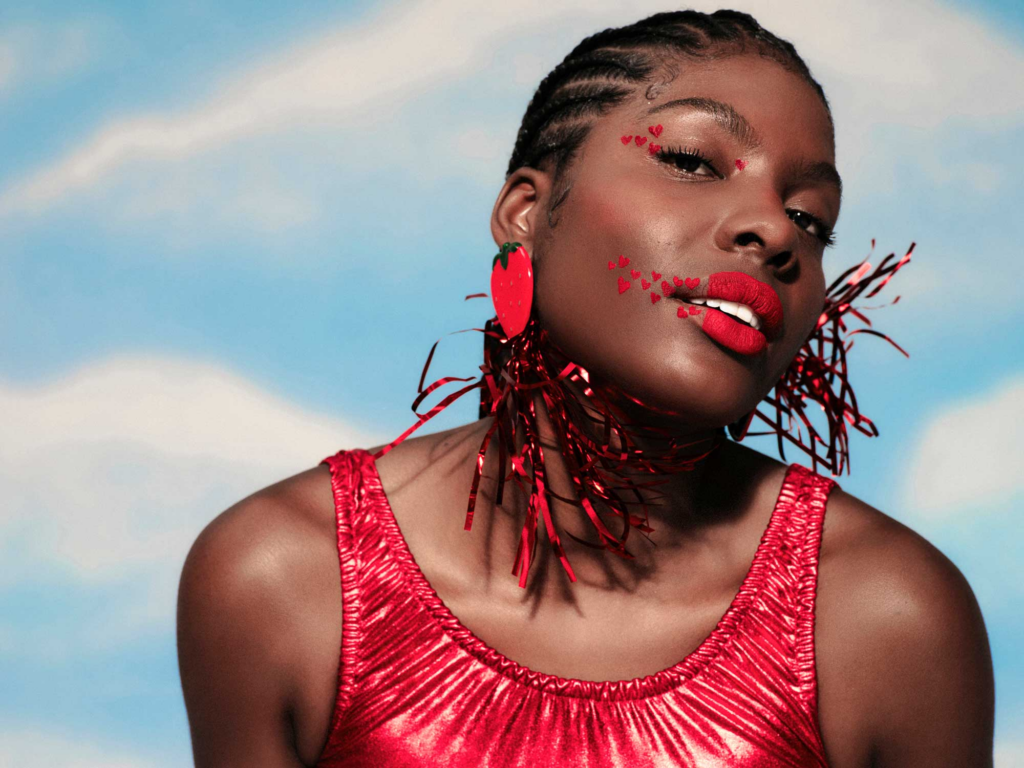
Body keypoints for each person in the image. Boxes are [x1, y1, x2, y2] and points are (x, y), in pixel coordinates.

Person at [177, 9, 995, 767]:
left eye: (811, 218)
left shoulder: (882, 615)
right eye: (692, 161)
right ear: (526, 213)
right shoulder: (289, 577)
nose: (776, 228)